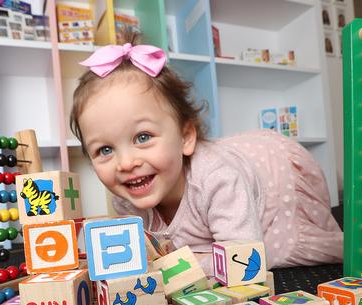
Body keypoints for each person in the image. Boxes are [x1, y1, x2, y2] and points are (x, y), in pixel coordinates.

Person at [69, 40, 343, 274]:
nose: (126, 163)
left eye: (143, 137)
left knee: (265, 257)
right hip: (232, 172)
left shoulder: (218, 179)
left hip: (274, 174)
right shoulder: (126, 196)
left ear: (186, 137)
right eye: (105, 150)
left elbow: (243, 258)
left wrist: (177, 267)